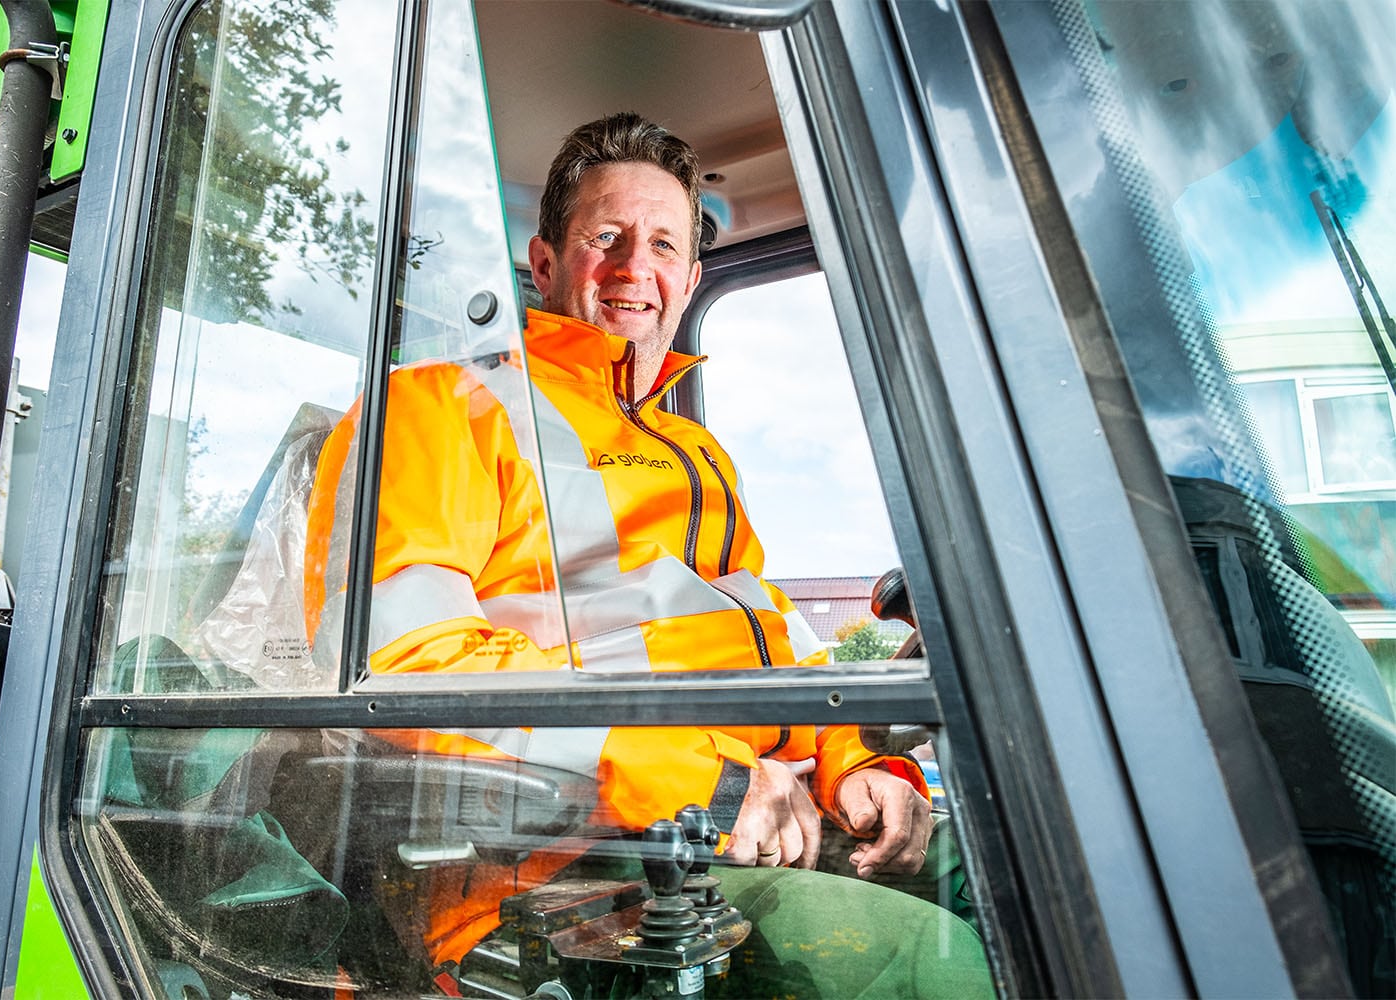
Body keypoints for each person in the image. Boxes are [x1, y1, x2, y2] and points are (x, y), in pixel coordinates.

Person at [303, 112, 993, 997]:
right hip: (565, 869)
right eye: (607, 237)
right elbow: (406, 665)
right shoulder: (435, 409)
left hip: (745, 821)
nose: (637, 269)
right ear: (545, 263)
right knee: (924, 966)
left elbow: (770, 646)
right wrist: (700, 781)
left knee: (1035, 864)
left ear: (692, 277)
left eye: (664, 245)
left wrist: (860, 766)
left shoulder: (697, 453)